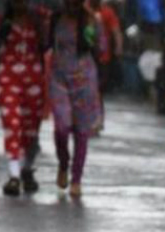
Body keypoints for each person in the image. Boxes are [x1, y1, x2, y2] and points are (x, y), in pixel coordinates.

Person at [0, 0, 49, 196]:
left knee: (31, 129)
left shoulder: (40, 17)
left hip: (34, 78)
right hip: (8, 77)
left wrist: (40, 27)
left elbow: (49, 43)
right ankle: (13, 176)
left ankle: (26, 169)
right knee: (12, 123)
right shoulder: (0, 21)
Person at [48, 0, 103, 198]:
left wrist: (91, 26)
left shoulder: (91, 20)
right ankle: (63, 163)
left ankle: (76, 178)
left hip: (84, 79)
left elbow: (102, 48)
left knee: (81, 130)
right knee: (61, 127)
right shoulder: (56, 18)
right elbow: (46, 45)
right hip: (59, 78)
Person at [92, 0, 124, 99]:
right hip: (90, 54)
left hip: (102, 55)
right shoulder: (86, 11)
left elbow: (116, 32)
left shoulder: (107, 12)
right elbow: (116, 32)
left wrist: (118, 47)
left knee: (99, 85)